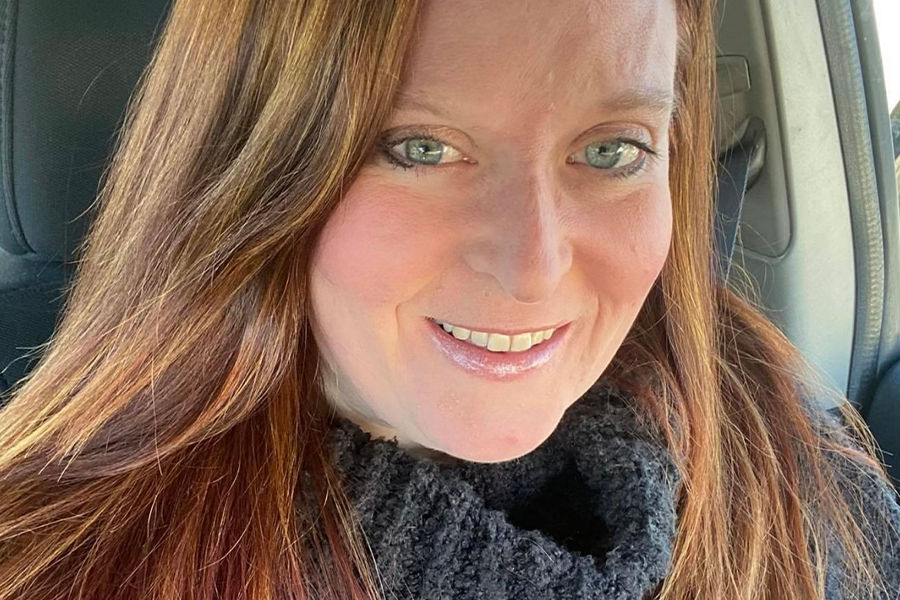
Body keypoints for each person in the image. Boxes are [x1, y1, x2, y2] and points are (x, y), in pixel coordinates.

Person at [0, 0, 898, 598]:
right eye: (419, 149)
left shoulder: (802, 482)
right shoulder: (56, 559)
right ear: (250, 168)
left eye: (613, 150)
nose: (534, 268)